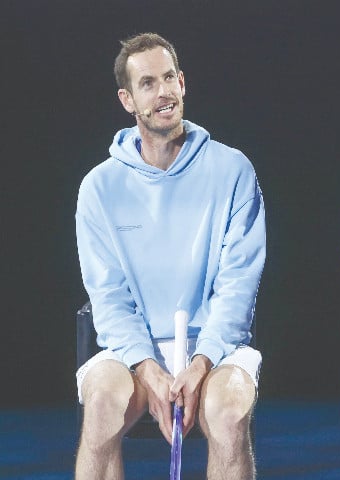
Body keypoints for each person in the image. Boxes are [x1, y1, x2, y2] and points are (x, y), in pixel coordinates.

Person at [74, 32, 265, 480]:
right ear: (127, 99)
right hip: (131, 351)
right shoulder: (98, 188)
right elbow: (108, 297)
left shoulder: (233, 170)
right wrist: (148, 368)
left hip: (217, 348)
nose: (162, 92)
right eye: (147, 83)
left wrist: (202, 363)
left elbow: (238, 285)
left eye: (168, 79)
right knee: (101, 404)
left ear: (182, 83)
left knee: (229, 409)